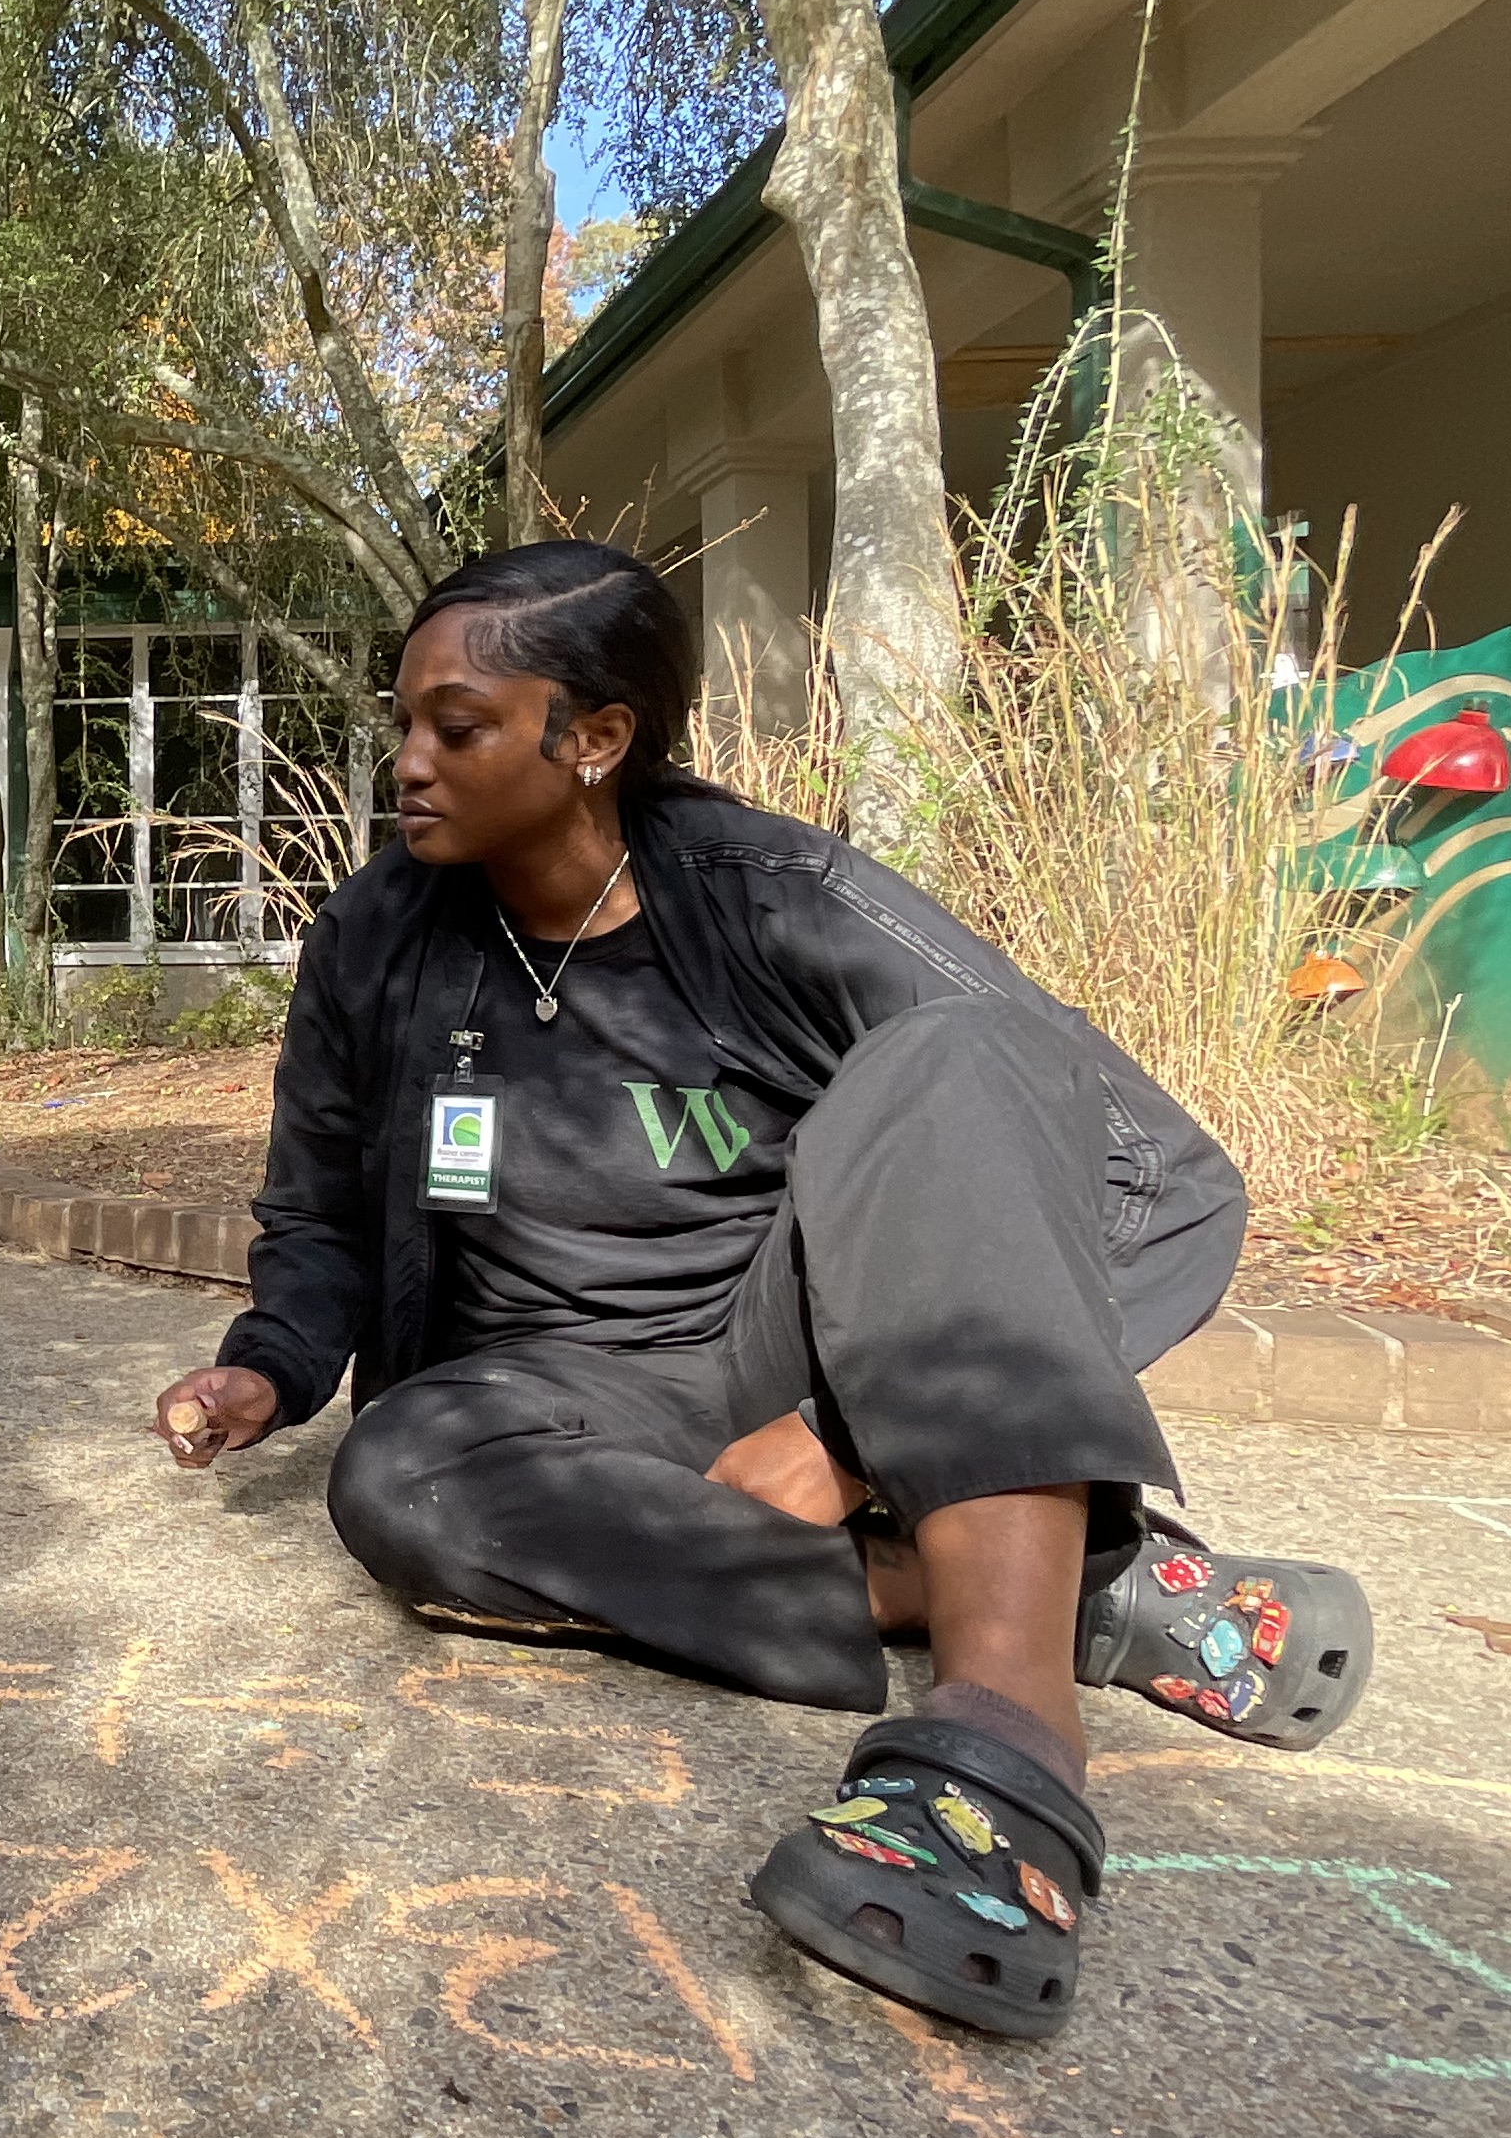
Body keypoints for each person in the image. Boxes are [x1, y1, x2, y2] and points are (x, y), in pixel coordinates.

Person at [149, 542, 1377, 2039]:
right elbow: (319, 1207)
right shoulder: (374, 941)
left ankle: (1004, 1755)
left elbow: (1151, 1170)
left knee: (958, 1053)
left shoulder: (775, 898)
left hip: (799, 1349)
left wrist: (842, 1433)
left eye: (454, 728)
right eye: (400, 723)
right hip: (549, 1394)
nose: (407, 764)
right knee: (399, 1479)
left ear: (592, 737)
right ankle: (1074, 1591)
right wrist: (268, 1367)